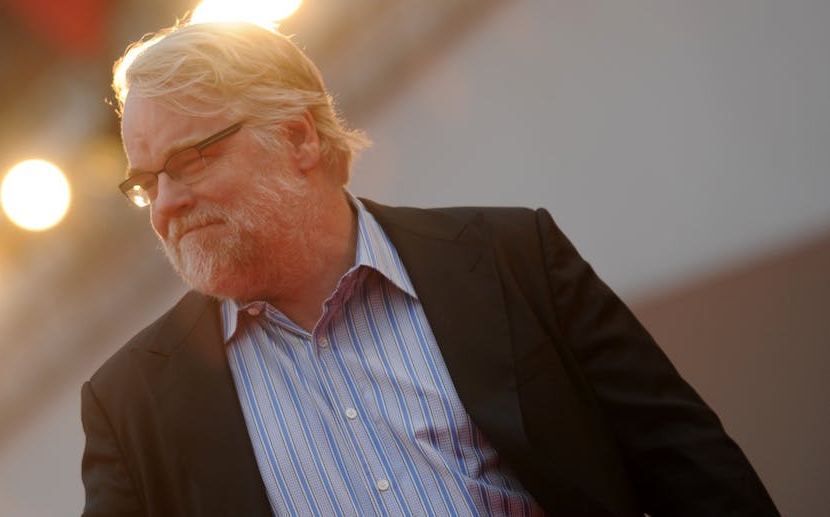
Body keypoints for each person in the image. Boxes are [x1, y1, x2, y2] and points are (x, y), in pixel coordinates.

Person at [80, 20, 777, 517]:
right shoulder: (130, 404)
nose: (165, 204)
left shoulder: (512, 256)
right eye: (145, 182)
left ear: (297, 137)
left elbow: (692, 469)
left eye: (189, 161)